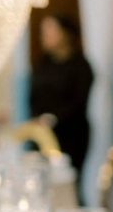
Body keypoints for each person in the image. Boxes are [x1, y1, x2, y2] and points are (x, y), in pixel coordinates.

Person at [29, 14, 94, 177]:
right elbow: (33, 96)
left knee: (67, 180)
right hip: (42, 132)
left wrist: (52, 118)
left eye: (50, 31)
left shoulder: (80, 66)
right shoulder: (42, 63)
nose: (45, 36)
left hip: (71, 134)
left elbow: (78, 101)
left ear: (65, 34)